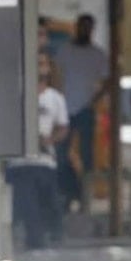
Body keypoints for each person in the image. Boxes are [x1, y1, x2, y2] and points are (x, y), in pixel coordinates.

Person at [6, 52, 69, 249]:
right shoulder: (17, 95)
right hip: (20, 162)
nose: (40, 67)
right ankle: (32, 243)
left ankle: (49, 240)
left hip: (45, 160)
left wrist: (49, 139)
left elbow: (62, 127)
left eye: (44, 63)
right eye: (37, 63)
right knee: (27, 205)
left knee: (48, 203)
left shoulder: (55, 98)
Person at [53, 13, 109, 211]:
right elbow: (56, 77)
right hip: (65, 110)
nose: (85, 31)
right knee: (61, 155)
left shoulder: (97, 55)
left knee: (87, 157)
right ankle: (67, 195)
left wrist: (93, 101)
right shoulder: (65, 51)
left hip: (85, 109)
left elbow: (106, 82)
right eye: (82, 27)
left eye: (88, 27)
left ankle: (85, 200)